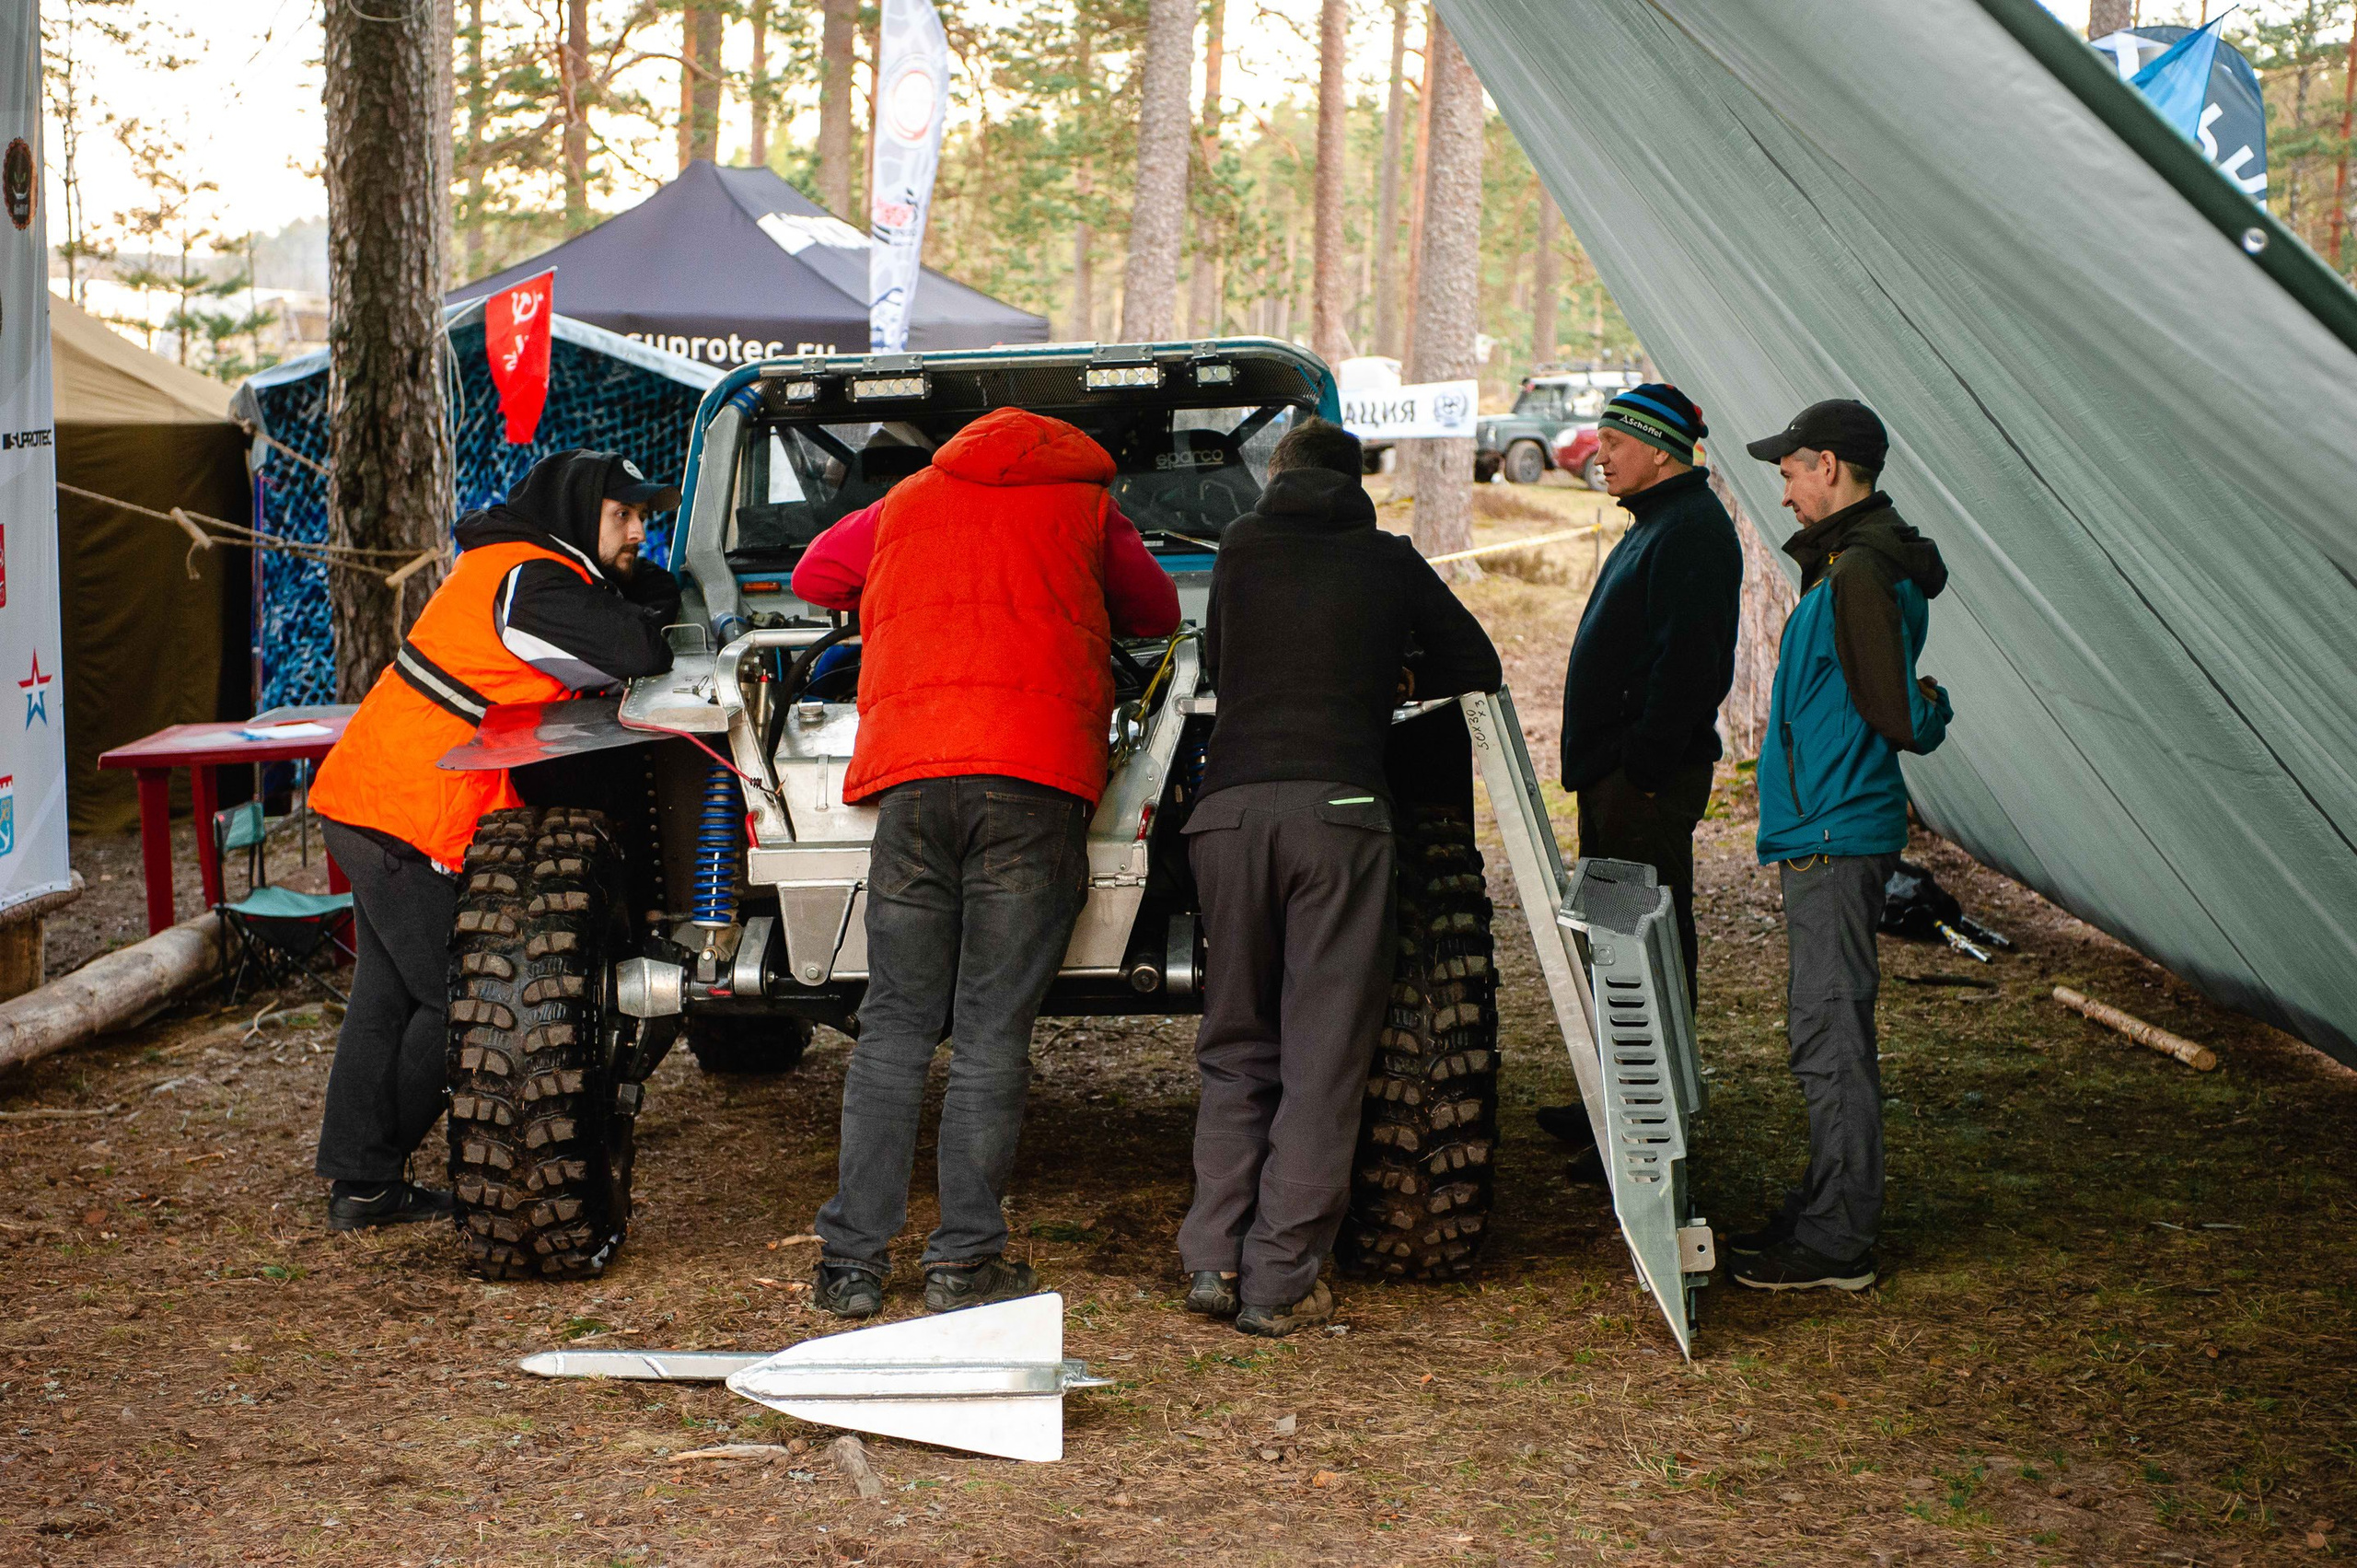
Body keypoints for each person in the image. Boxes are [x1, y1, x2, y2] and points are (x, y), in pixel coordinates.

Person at [794, 409, 1180, 1319]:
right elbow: (1158, 614)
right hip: (1033, 782)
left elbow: (815, 575)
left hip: (913, 783)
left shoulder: (907, 497)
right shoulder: (1085, 507)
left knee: (892, 1021)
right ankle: (963, 1262)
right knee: (989, 1029)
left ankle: (851, 1263)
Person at [1178, 417, 1500, 1337]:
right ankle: (1278, 1279)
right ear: (1354, 482)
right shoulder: (1387, 558)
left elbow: (1222, 664)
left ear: (1276, 476)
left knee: (1236, 1040)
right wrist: (1388, 673)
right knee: (1323, 1055)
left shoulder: (1239, 550)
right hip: (1341, 819)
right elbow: (1474, 662)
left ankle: (1210, 1255)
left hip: (1228, 814)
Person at [308, 449, 682, 1230]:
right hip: (402, 810)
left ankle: (361, 1180)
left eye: (645, 517)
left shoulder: (521, 568)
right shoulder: (532, 581)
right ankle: (372, 1174)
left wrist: (637, 595)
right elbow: (641, 650)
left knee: (384, 995)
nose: (640, 532)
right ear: (583, 514)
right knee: (464, 1003)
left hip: (375, 796)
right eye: (624, 516)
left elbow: (629, 611)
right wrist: (648, 609)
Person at [1731, 399, 1953, 1293]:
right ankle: (1830, 1202)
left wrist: (1928, 707)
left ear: (1828, 465)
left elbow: (1896, 711)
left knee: (1829, 1033)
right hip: (1824, 828)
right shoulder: (1854, 563)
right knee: (1823, 1026)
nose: (1782, 492)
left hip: (1833, 832)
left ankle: (1837, 1240)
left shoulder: (1858, 569)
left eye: (1787, 472)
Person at [1534, 384, 1741, 1168]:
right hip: (1620, 776)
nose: (1603, 455)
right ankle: (1615, 1100)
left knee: (1641, 947)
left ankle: (1646, 1125)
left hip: (1641, 781)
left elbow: (1690, 666)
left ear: (1658, 449)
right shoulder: (1661, 522)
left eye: (1615, 442)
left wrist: (1645, 766)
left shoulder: (1689, 531)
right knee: (1616, 942)